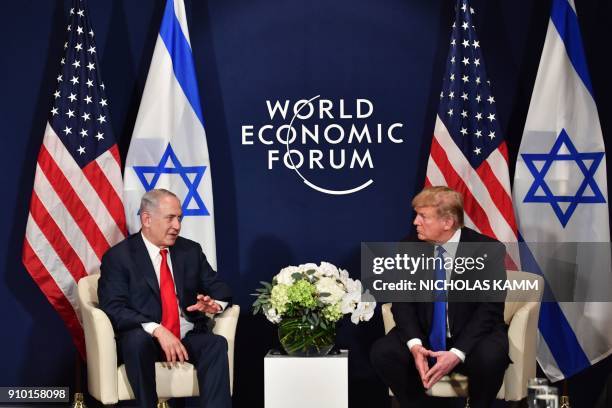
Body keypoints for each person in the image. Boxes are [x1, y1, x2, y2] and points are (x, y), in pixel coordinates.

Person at [370, 186, 510, 408]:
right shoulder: (409, 247)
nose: (416, 222)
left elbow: (489, 310)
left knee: (490, 357)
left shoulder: (487, 249)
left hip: (472, 337)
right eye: (416, 215)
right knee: (384, 352)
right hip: (425, 336)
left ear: (447, 222)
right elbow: (402, 303)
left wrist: (457, 353)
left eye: (423, 216)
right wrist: (416, 346)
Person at [98, 189, 232, 408]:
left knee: (215, 344)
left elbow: (220, 288)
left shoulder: (190, 251)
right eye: (170, 218)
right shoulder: (119, 257)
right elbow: (113, 307)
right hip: (146, 338)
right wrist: (157, 330)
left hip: (187, 335)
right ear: (147, 219)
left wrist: (213, 304)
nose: (177, 225)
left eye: (179, 218)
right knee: (136, 341)